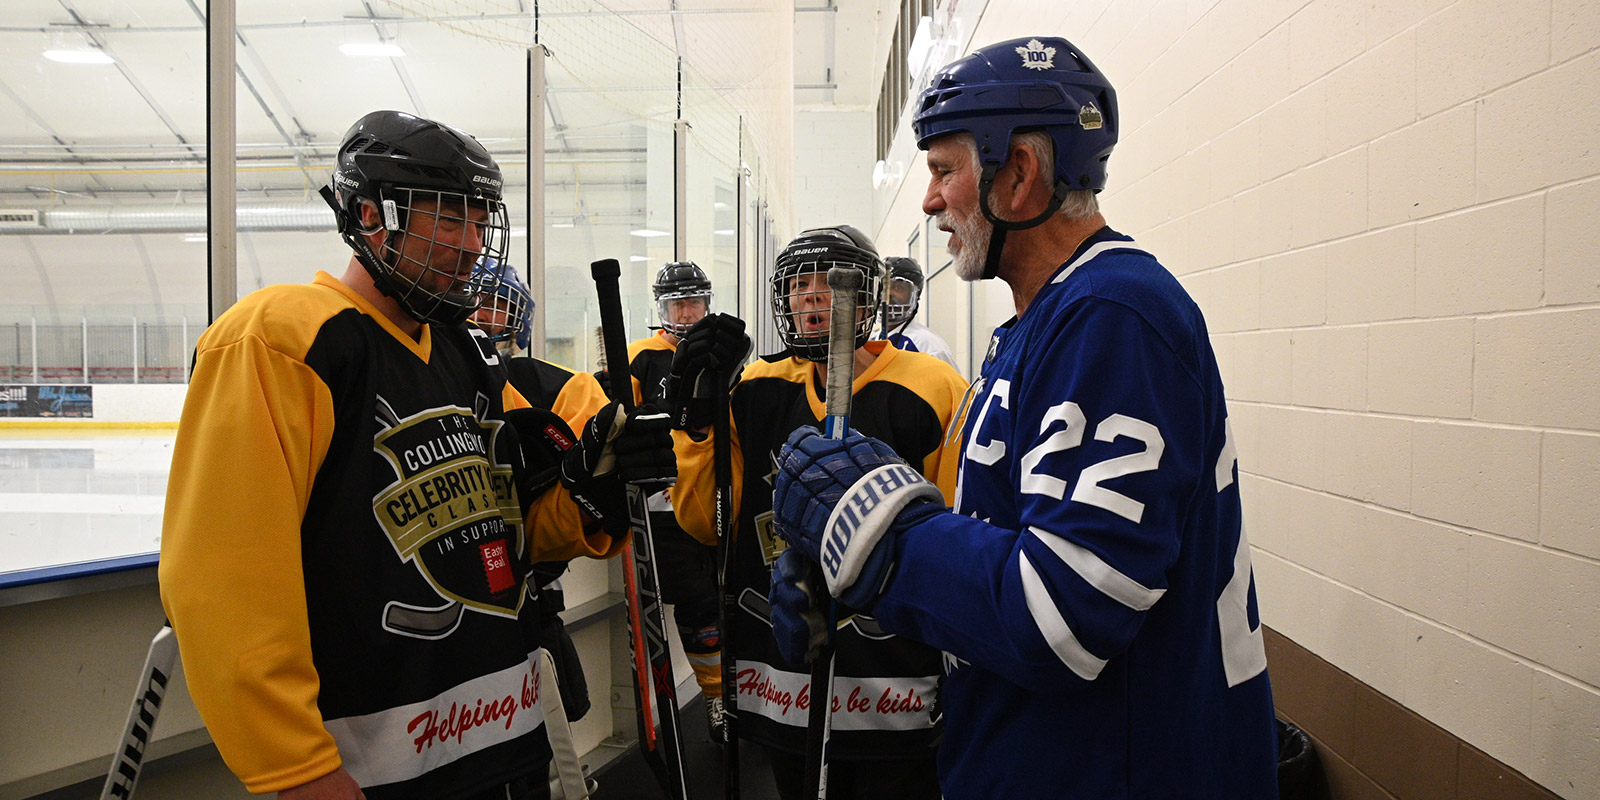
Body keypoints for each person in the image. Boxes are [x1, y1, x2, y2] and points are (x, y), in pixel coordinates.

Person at [766, 37, 1279, 799]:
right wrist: (865, 582)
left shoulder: (1113, 317)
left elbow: (1065, 615)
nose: (930, 201)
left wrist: (880, 538)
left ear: (1019, 173)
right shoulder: (1046, 323)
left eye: (944, 170)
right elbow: (1009, 549)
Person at [159, 110, 674, 800]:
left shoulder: (466, 351)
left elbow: (500, 536)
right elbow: (223, 579)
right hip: (375, 766)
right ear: (371, 216)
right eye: (449, 219)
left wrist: (589, 497)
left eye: (480, 221)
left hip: (500, 741)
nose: (473, 244)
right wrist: (296, 765)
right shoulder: (282, 339)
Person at [666, 226, 969, 800]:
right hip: (783, 684)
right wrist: (697, 424)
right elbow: (706, 521)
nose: (810, 298)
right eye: (798, 286)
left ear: (868, 296)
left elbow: (959, 533)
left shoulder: (933, 387)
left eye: (827, 285)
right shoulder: (755, 388)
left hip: (894, 685)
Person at [468, 256, 611, 724]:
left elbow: (594, 493)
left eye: (494, 303)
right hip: (453, 591)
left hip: (531, 589)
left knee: (544, 730)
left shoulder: (557, 384)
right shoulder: (423, 381)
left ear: (520, 318)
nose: (480, 313)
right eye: (471, 299)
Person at [626, 261, 729, 741]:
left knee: (734, 599)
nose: (686, 313)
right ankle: (716, 697)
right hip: (665, 508)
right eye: (677, 304)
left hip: (718, 499)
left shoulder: (724, 353)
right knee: (698, 605)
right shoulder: (640, 357)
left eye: (694, 302)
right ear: (661, 308)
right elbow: (617, 422)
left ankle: (741, 690)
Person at [878, 256, 958, 372]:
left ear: (917, 294)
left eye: (898, 287)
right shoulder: (873, 340)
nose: (889, 293)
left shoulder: (929, 346)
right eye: (884, 287)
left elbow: (950, 383)